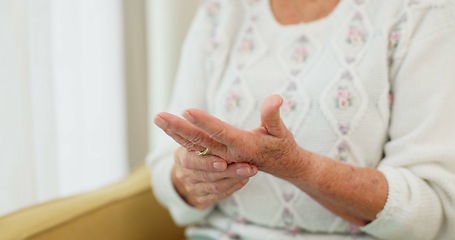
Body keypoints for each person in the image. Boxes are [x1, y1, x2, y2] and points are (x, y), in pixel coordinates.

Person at [149, 0, 455, 239]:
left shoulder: (421, 11)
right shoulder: (222, 10)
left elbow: (434, 210)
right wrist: (189, 179)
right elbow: (165, 170)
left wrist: (297, 166)